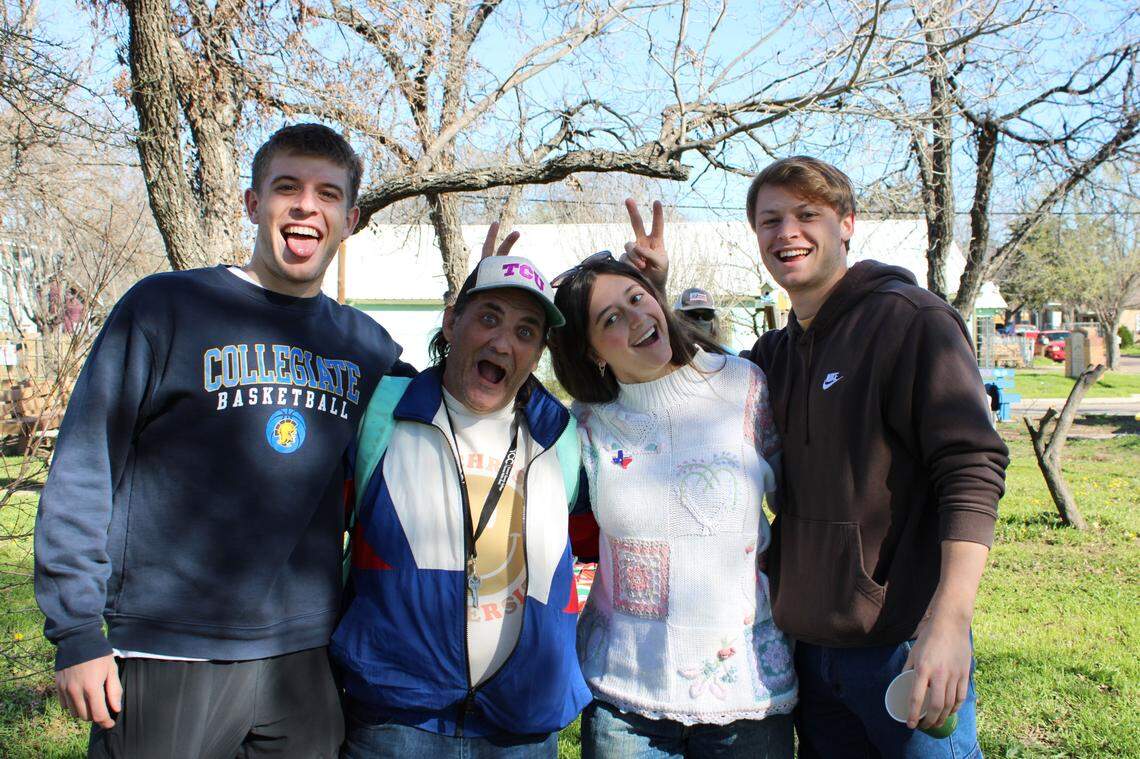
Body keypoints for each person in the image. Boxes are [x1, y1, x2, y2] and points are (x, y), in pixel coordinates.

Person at [34, 123, 409, 759]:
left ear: (348, 220)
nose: (305, 206)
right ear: (252, 204)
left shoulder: (366, 346)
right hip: (169, 644)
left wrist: (473, 317)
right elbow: (84, 463)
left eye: (327, 194)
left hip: (304, 656)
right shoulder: (166, 308)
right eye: (286, 187)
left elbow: (458, 411)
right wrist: (76, 631)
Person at [625, 157, 1009, 758]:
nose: (787, 233)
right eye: (770, 220)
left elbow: (972, 469)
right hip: (807, 653)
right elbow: (694, 377)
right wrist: (653, 294)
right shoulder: (776, 355)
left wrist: (950, 621)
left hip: (902, 647)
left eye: (808, 215)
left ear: (847, 223)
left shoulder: (910, 321)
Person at [332, 234, 592, 758]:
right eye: (488, 318)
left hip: (520, 726)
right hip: (397, 719)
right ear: (452, 323)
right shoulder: (382, 412)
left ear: (539, 351)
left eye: (525, 331)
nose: (503, 343)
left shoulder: (561, 436)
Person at [548, 248, 797, 758]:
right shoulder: (588, 423)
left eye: (638, 298)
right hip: (624, 697)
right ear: (592, 350)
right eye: (611, 318)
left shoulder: (742, 386)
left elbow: (799, 500)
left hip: (746, 689)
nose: (638, 317)